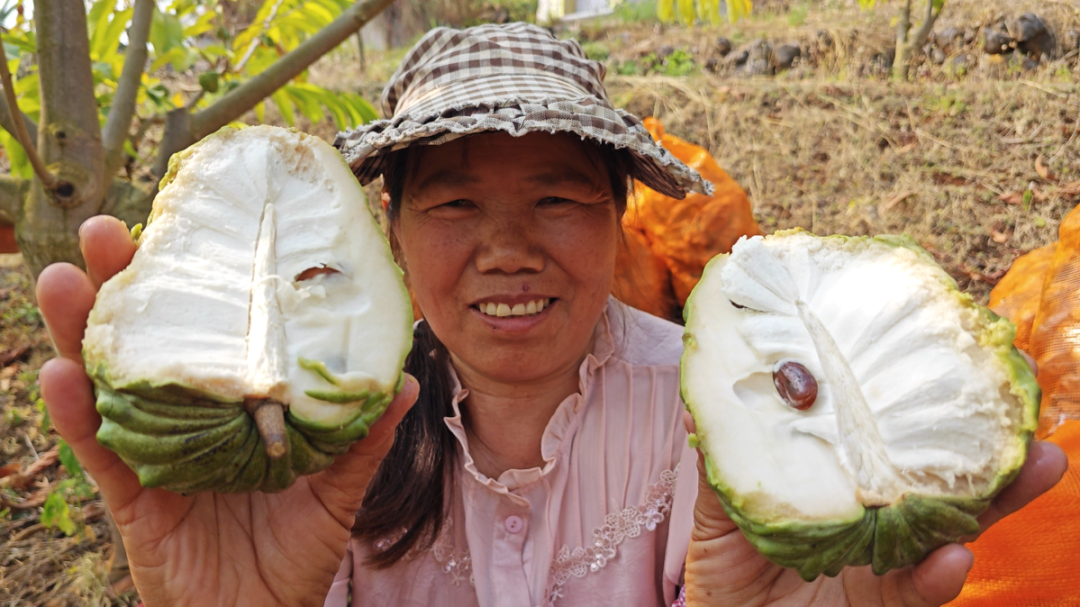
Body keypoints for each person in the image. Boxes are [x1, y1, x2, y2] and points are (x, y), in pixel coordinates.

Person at [37, 23, 1066, 607]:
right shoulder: (332, 447)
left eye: (558, 198)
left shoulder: (701, 415)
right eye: (454, 202)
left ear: (619, 218)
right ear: (386, 232)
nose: (509, 248)